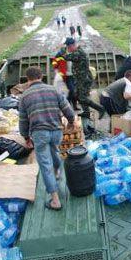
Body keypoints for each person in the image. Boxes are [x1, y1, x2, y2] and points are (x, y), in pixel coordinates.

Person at [19, 66, 76, 211]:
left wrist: (26, 136)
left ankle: (55, 201)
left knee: (45, 165)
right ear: (41, 77)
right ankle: (57, 172)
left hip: (39, 133)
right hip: (56, 131)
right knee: (55, 150)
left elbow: (23, 120)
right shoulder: (53, 90)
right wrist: (70, 122)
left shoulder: (24, 96)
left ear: (28, 79)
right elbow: (67, 109)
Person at [63, 37, 105, 119]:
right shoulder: (76, 51)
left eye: (68, 47)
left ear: (72, 45)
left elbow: (68, 57)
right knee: (78, 95)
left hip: (84, 79)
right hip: (80, 79)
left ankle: (100, 108)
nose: (68, 49)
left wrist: (62, 54)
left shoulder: (78, 52)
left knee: (82, 97)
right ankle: (86, 112)